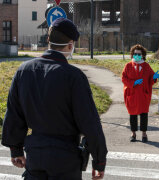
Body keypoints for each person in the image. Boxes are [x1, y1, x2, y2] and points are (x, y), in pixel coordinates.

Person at [1, 18, 108, 180]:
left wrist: (15, 150)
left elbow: (14, 113)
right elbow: (89, 121)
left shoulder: (24, 71)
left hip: (35, 154)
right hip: (66, 157)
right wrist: (99, 161)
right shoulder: (74, 76)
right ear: (70, 45)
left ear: (49, 40)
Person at [122, 44, 159, 143]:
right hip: (132, 94)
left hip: (143, 95)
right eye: (135, 53)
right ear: (132, 54)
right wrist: (133, 83)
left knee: (144, 114)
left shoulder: (146, 66)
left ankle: (144, 134)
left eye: (138, 54)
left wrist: (154, 77)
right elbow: (124, 78)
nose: (136, 55)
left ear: (142, 55)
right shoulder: (128, 66)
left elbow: (151, 78)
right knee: (133, 114)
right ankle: (133, 133)